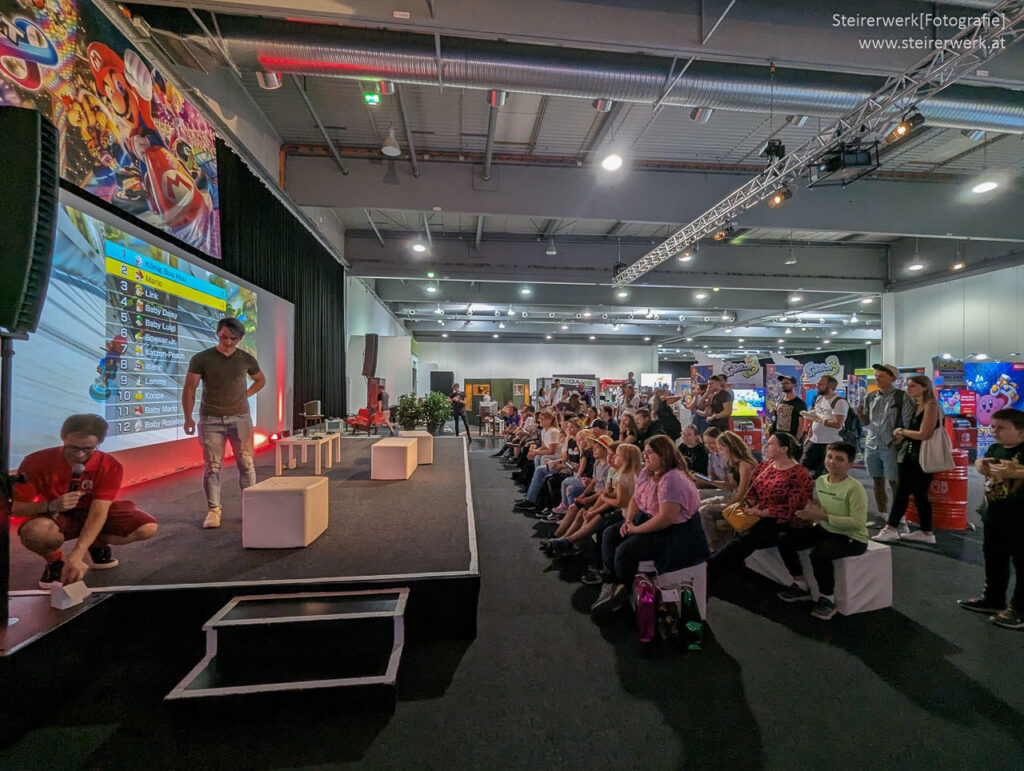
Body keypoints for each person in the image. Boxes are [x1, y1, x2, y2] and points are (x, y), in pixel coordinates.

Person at [13, 414, 159, 588]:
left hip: (91, 511)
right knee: (35, 532)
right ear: (63, 438)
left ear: (98, 444)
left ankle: (96, 542)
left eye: (88, 448)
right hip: (56, 514)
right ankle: (55, 562)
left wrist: (77, 555)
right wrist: (52, 505)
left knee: (147, 528)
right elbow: (15, 508)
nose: (80, 454)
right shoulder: (35, 461)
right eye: (72, 447)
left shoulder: (109, 465)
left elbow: (98, 513)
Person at [591, 435, 710, 614]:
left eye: (650, 453)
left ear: (664, 454)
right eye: (644, 453)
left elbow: (665, 518)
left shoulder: (672, 479)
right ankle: (611, 582)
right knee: (609, 534)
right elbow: (636, 499)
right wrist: (629, 520)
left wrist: (636, 529)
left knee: (624, 552)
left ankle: (621, 588)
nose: (645, 457)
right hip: (646, 518)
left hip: (675, 532)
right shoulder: (647, 472)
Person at [182, 317, 265, 529]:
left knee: (246, 464)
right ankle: (214, 510)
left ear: (239, 339)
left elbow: (260, 380)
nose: (227, 342)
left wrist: (245, 395)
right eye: (223, 337)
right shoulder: (202, 358)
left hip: (241, 418)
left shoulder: (246, 358)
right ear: (218, 334)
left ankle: (251, 507)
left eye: (232, 338)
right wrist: (188, 417)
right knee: (212, 467)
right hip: (210, 419)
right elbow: (190, 388)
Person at [776, 441, 869, 620]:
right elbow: (823, 508)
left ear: (850, 464)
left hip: (852, 538)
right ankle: (800, 584)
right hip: (826, 529)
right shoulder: (820, 481)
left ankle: (828, 599)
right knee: (784, 539)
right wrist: (814, 509)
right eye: (829, 457)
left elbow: (858, 524)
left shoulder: (855, 488)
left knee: (819, 554)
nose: (832, 462)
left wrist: (821, 516)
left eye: (839, 459)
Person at [707, 432, 815, 580]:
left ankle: (711, 567)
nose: (766, 446)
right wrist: (749, 506)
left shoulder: (799, 473)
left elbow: (793, 508)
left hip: (785, 521)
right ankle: (721, 567)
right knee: (743, 531)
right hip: (759, 513)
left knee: (751, 535)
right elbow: (753, 491)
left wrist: (761, 512)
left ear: (784, 449)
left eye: (771, 443)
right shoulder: (765, 467)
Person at [958, 408, 1024, 629]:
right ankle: (993, 599)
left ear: (1021, 431)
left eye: (1001, 428)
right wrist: (980, 465)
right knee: (994, 558)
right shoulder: (996, 447)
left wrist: (1017, 473)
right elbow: (982, 461)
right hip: (995, 514)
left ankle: (1020, 610)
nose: (994, 431)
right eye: (993, 426)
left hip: (1020, 518)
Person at [872, 374, 941, 544]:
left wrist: (902, 432)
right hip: (911, 455)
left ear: (925, 387)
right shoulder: (918, 405)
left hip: (921, 457)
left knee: (906, 493)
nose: (908, 389)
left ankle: (892, 528)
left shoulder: (931, 406)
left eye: (913, 386)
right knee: (916, 495)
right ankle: (925, 531)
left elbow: (925, 433)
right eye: (908, 385)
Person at [858, 364, 914, 525]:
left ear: (893, 378)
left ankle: (899, 515)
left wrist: (898, 441)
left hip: (891, 446)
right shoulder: (870, 396)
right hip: (872, 444)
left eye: (881, 375)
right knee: (877, 480)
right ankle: (882, 513)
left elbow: (908, 423)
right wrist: (860, 414)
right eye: (876, 375)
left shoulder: (901, 397)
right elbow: (866, 421)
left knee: (894, 481)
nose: (877, 378)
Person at [698, 431, 758, 551]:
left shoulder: (744, 464)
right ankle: (707, 541)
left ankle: (712, 546)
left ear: (730, 448)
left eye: (721, 449)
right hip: (733, 495)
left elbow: (742, 492)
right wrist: (709, 482)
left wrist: (728, 506)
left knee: (704, 510)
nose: (719, 452)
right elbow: (731, 486)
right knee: (699, 504)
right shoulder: (733, 463)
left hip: (744, 501)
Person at [801, 375, 848, 478]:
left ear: (830, 385)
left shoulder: (839, 402)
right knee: (803, 471)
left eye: (820, 384)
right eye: (817, 384)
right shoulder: (819, 399)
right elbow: (815, 419)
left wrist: (822, 420)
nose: (817, 386)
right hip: (814, 442)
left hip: (830, 444)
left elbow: (837, 424)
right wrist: (809, 436)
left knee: (826, 475)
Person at [770, 375, 807, 453]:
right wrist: (774, 412)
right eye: (782, 383)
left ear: (794, 385)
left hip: (791, 439)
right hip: (779, 438)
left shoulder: (799, 403)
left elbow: (801, 424)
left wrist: (796, 440)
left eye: (787, 383)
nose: (784, 385)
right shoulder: (781, 400)